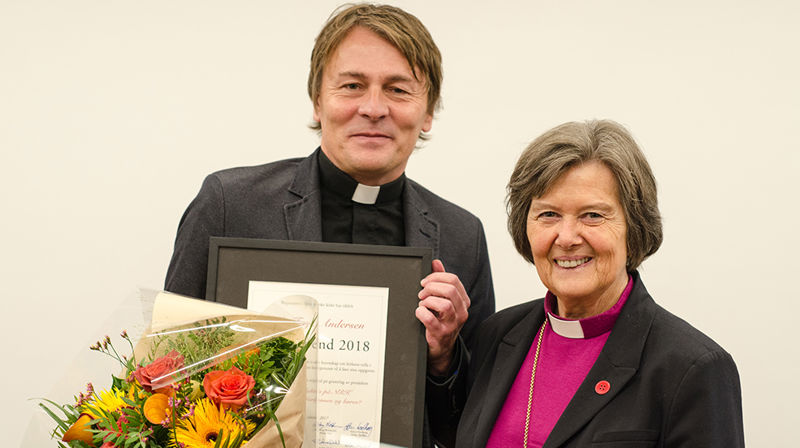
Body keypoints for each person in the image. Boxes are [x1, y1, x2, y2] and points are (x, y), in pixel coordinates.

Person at [164, 4, 494, 446]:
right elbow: (165, 374)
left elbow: (474, 424)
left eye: (398, 89)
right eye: (352, 85)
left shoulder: (461, 235)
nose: (374, 108)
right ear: (318, 101)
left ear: (428, 110)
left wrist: (444, 358)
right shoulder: (230, 203)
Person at [454, 120, 744, 447]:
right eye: (548, 214)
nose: (566, 238)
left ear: (634, 229)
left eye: (592, 215)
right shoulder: (496, 336)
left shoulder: (692, 367)